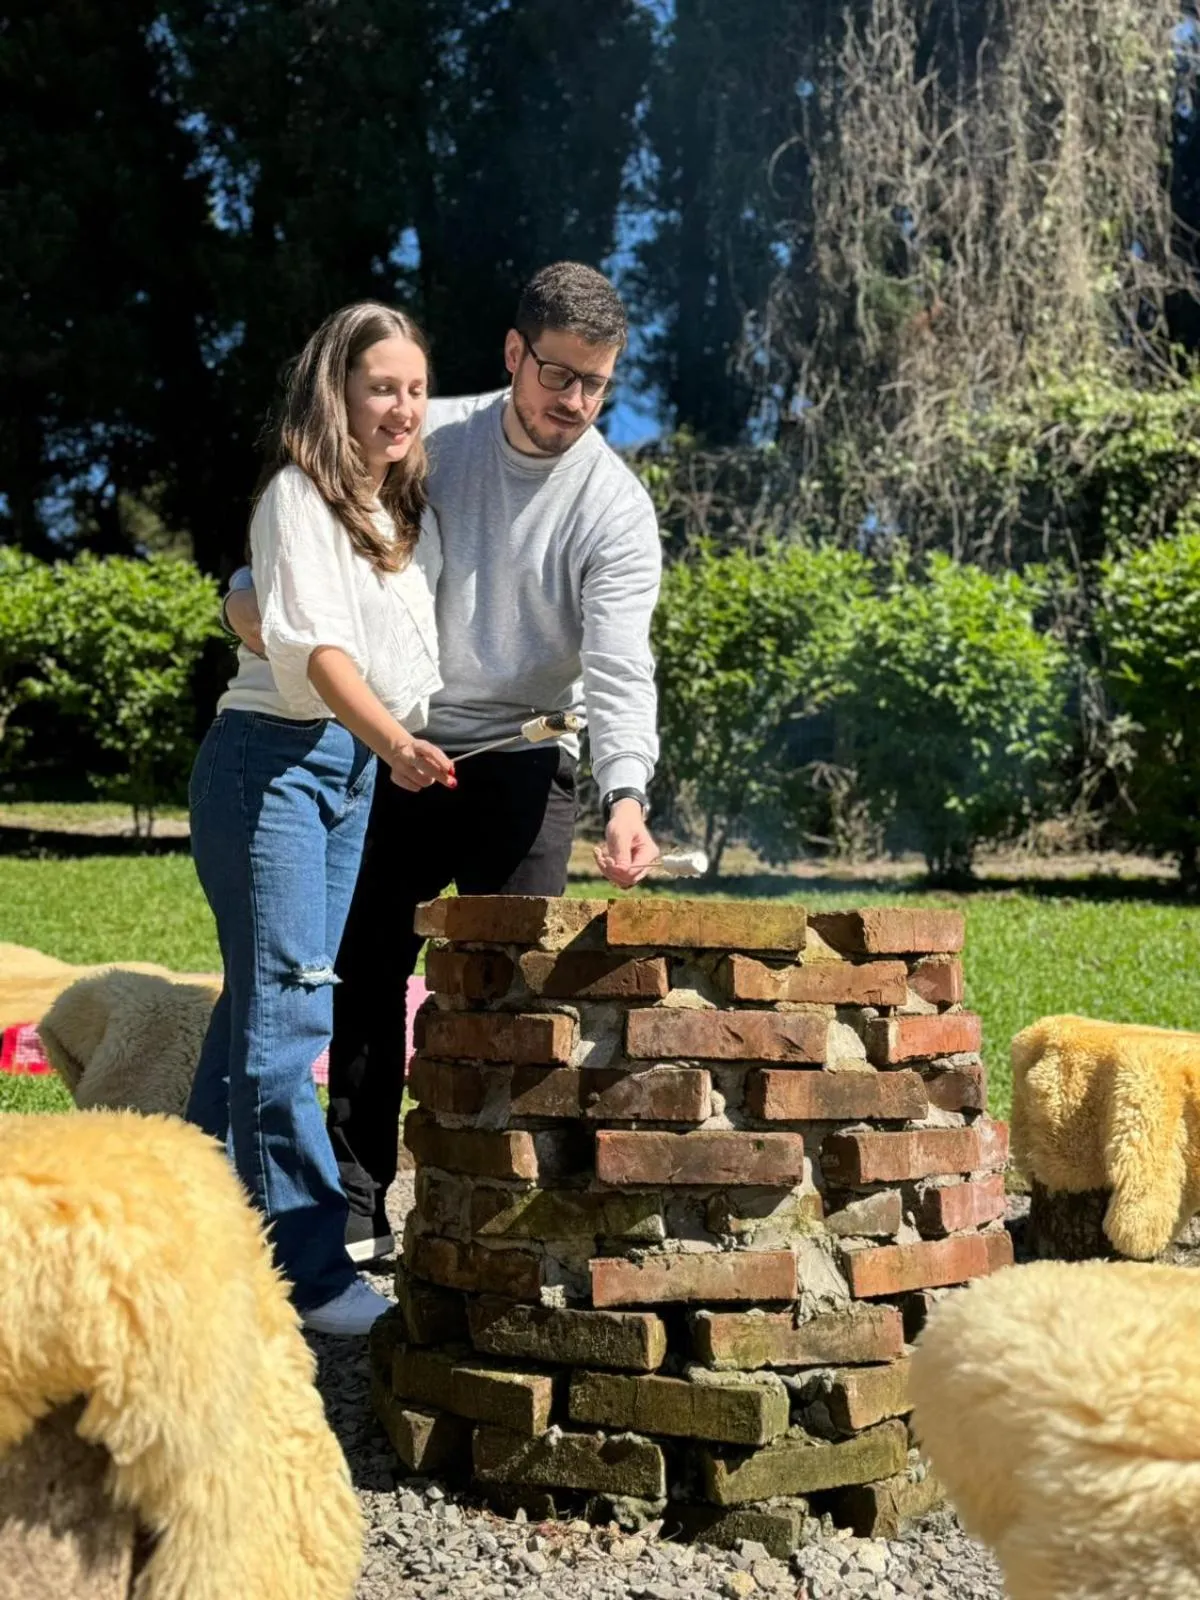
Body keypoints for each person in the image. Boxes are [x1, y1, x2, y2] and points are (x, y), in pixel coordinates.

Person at [224, 262, 662, 1262]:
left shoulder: (615, 507)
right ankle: (358, 1201)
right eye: (558, 375)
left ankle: (494, 1212)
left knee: (514, 985)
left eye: (597, 384)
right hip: (396, 740)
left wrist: (627, 792)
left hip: (526, 756)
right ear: (514, 353)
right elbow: (320, 518)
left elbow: (620, 663)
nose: (576, 402)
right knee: (366, 968)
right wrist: (245, 589)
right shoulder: (436, 434)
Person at [188, 301, 453, 1336]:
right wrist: (394, 743)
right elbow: (317, 654)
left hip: (342, 769)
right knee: (292, 1014)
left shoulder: (390, 515)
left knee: (260, 1011)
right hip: (272, 765)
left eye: (416, 390)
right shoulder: (298, 496)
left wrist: (383, 747)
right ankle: (308, 1270)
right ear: (334, 392)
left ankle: (185, 1233)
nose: (403, 407)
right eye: (381, 386)